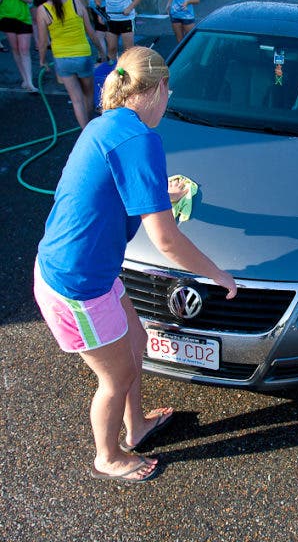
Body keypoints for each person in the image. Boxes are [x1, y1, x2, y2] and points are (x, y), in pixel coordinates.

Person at [34, 46, 238, 483]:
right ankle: (107, 456)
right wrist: (218, 276)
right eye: (169, 91)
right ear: (159, 88)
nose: (169, 100)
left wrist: (163, 193)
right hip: (77, 286)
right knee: (117, 373)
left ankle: (137, 426)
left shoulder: (110, 124)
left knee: (137, 341)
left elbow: (116, 186)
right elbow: (165, 239)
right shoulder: (141, 138)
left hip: (92, 270)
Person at [37, 0, 107, 128]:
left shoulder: (43, 10)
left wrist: (42, 61)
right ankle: (91, 127)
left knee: (76, 99)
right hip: (83, 56)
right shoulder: (76, 3)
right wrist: (101, 52)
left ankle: (84, 132)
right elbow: (91, 33)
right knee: (88, 94)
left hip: (62, 59)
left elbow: (42, 42)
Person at [0, 0, 36, 92]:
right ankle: (25, 80)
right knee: (15, 49)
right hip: (7, 17)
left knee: (24, 49)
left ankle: (30, 82)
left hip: (23, 17)